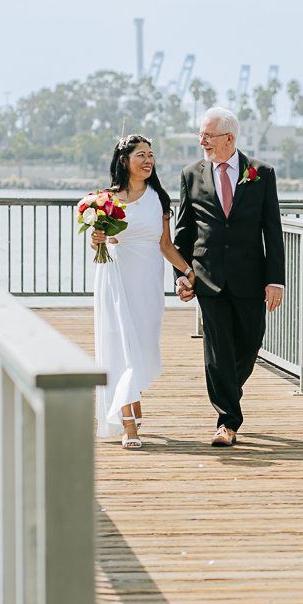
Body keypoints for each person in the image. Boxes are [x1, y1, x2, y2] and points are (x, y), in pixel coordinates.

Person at [173, 107, 285, 446]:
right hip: (207, 277)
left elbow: (272, 230)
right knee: (217, 348)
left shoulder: (261, 173)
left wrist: (275, 280)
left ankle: (227, 391)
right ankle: (227, 422)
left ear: (229, 138)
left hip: (250, 277)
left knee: (250, 343)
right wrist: (181, 275)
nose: (202, 141)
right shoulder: (190, 174)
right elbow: (183, 232)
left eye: (208, 135)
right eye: (201, 135)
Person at [90, 135, 195, 448]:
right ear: (125, 161)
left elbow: (165, 245)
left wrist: (190, 272)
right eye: (141, 155)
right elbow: (97, 241)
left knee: (143, 344)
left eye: (150, 155)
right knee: (121, 347)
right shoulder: (107, 199)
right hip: (116, 277)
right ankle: (128, 426)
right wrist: (95, 238)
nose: (148, 161)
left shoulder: (159, 198)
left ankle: (133, 403)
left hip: (148, 281)